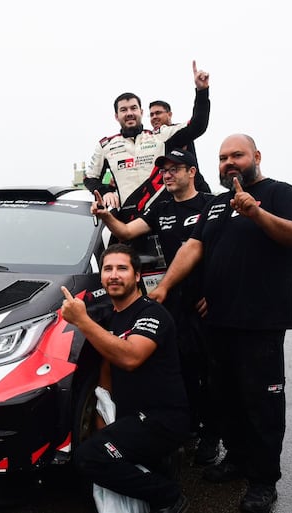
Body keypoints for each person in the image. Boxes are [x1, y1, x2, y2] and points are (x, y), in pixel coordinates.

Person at [148, 134, 292, 513]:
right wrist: (164, 288)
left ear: (256, 156)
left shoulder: (281, 193)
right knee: (227, 400)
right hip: (217, 322)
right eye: (223, 158)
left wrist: (256, 212)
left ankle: (263, 480)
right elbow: (194, 247)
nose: (229, 162)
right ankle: (238, 460)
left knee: (262, 405)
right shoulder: (218, 203)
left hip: (260, 323)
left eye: (237, 155)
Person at [93, 147, 219, 465]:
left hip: (206, 303)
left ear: (192, 172)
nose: (168, 174)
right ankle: (186, 430)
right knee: (182, 369)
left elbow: (227, 252)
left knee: (213, 373)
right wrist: (106, 216)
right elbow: (125, 232)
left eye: (176, 168)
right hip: (172, 302)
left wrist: (217, 293)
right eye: (165, 169)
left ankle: (212, 435)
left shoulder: (210, 204)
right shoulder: (160, 208)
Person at [61, 244, 190, 513]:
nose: (114, 275)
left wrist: (82, 321)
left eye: (122, 268)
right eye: (108, 269)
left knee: (89, 458)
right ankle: (159, 467)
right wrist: (103, 424)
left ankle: (168, 495)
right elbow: (107, 372)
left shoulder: (151, 313)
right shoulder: (112, 318)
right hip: (133, 418)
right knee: (87, 466)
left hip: (162, 419)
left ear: (137, 276)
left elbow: (131, 358)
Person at [84, 60, 210, 223]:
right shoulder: (106, 145)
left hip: (163, 218)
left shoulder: (160, 135)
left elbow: (197, 126)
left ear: (141, 112)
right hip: (127, 222)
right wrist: (105, 191)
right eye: (123, 110)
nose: (129, 113)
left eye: (133, 108)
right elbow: (89, 178)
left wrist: (202, 91)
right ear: (116, 116)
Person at [148, 100, 211, 193]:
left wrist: (202, 91)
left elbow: (198, 124)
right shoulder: (148, 139)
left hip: (194, 188)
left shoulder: (179, 132)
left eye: (158, 113)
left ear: (169, 114)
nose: (154, 117)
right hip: (163, 193)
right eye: (151, 115)